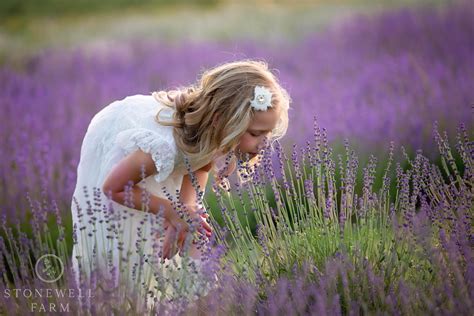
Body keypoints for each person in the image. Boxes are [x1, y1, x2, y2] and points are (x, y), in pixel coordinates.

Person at [70, 60, 290, 310]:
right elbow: (113, 188)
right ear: (223, 121)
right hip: (124, 183)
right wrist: (172, 210)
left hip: (168, 161)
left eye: (267, 134)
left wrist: (187, 208)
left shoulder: (214, 135)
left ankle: (192, 302)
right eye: (255, 134)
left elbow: (201, 162)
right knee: (125, 260)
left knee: (191, 225)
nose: (263, 144)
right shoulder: (163, 149)